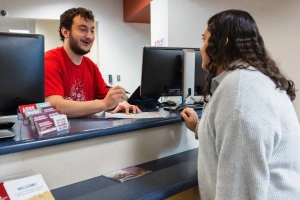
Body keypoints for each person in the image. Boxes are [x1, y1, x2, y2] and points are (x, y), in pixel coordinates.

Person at [180, 9, 300, 199]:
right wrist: (198, 128)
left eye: (204, 40)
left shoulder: (240, 89)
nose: (201, 48)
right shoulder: (253, 80)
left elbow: (239, 186)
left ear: (223, 42)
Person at [45, 7, 141, 118]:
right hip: (63, 134)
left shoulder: (90, 66)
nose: (89, 36)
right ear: (65, 32)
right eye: (83, 29)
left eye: (92, 30)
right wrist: (104, 104)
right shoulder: (50, 61)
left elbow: (107, 97)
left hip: (89, 133)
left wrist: (121, 102)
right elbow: (55, 107)